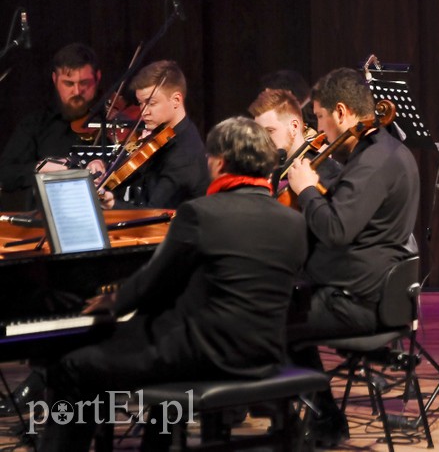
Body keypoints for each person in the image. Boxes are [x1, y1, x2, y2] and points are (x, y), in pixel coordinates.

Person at [37, 116, 308, 451]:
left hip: (204, 356)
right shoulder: (295, 222)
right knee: (141, 340)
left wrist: (114, 303)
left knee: (74, 365)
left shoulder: (199, 213)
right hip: (263, 354)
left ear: (219, 162)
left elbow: (151, 282)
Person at [285, 67, 420, 447]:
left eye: (321, 119)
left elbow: (336, 229)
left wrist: (307, 190)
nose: (321, 130)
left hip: (359, 301)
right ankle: (319, 419)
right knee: (283, 312)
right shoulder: (382, 150)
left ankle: (312, 423)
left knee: (264, 321)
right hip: (366, 291)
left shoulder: (376, 159)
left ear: (341, 113)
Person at [0, 43, 102, 210]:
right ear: (55, 80)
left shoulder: (114, 121)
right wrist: (39, 168)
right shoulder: (36, 124)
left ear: (98, 77)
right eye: (68, 83)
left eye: (84, 83)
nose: (77, 91)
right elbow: (5, 173)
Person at [97, 60, 209, 209]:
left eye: (151, 103)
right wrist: (103, 166)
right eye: (141, 103)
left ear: (176, 100)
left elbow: (154, 215)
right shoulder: (161, 136)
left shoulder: (183, 156)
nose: (144, 112)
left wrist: (112, 204)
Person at [247, 87, 340, 194]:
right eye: (259, 133)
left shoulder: (327, 173)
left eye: (270, 131)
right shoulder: (265, 174)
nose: (262, 140)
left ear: (294, 127)